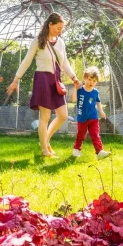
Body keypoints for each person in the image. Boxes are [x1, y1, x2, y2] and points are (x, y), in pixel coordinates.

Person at [7, 12, 81, 157]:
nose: (60, 31)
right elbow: (26, 62)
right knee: (45, 117)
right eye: (58, 28)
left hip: (56, 81)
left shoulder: (60, 42)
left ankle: (45, 141)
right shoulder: (38, 41)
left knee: (63, 115)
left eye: (62, 28)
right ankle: (44, 150)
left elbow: (64, 63)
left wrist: (74, 77)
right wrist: (16, 80)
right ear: (50, 25)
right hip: (42, 80)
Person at [71, 66, 111, 159]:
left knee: (95, 135)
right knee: (80, 135)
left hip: (93, 118)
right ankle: (76, 150)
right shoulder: (80, 90)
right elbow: (73, 100)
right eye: (89, 79)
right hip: (82, 118)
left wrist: (101, 111)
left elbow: (98, 102)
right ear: (84, 78)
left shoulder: (95, 92)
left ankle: (99, 152)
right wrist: (75, 88)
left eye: (94, 81)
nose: (91, 82)